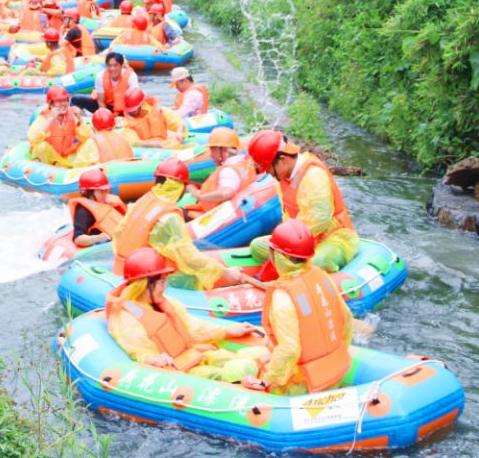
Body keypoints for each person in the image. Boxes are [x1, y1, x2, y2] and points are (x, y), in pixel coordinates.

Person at [105, 247, 261, 379]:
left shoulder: (166, 303)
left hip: (194, 355)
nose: (165, 287)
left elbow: (194, 329)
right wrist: (150, 358)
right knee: (232, 374)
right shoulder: (125, 315)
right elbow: (136, 348)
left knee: (248, 358)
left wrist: (227, 331)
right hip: (179, 371)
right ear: (144, 284)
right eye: (161, 282)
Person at [241, 220, 353, 395]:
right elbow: (346, 318)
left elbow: (289, 351)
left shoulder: (283, 296)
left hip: (305, 385)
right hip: (337, 371)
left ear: (275, 255)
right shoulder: (321, 277)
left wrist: (265, 382)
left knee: (239, 365)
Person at [112, 158, 254, 291]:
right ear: (181, 187)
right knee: (191, 275)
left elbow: (118, 232)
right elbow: (189, 258)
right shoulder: (169, 217)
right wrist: (224, 271)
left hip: (123, 267)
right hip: (144, 279)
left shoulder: (144, 199)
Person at [246, 130, 359, 273]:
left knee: (318, 262)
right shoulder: (283, 178)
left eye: (269, 169)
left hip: (333, 239)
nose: (269, 174)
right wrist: (280, 246)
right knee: (257, 246)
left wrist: (287, 247)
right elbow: (287, 217)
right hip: (300, 241)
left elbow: (320, 220)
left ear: (283, 159)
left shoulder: (314, 176)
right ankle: (294, 271)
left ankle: (300, 273)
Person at [185, 128, 257, 217]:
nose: (210, 155)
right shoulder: (244, 161)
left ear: (223, 150)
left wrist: (199, 196)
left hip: (208, 215)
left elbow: (226, 193)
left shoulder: (228, 171)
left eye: (212, 150)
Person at [27, 86, 91, 168]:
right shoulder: (43, 118)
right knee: (41, 147)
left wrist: (80, 119)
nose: (63, 104)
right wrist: (50, 119)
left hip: (66, 158)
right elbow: (33, 138)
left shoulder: (72, 116)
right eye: (59, 101)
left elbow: (87, 136)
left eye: (65, 100)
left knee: (88, 144)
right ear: (50, 104)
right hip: (49, 159)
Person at [69, 168, 126, 247]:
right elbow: (78, 239)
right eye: (101, 191)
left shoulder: (111, 201)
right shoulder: (83, 211)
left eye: (106, 190)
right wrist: (96, 238)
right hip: (104, 246)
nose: (105, 194)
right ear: (89, 192)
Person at [72, 51, 138, 114]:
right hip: (106, 106)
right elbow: (101, 101)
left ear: (121, 66)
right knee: (75, 99)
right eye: (109, 65)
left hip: (125, 109)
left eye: (115, 65)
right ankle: (82, 121)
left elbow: (134, 101)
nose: (112, 69)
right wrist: (106, 117)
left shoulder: (131, 76)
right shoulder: (100, 77)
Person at [119, 87, 185, 148]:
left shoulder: (158, 110)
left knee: (175, 141)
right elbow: (132, 142)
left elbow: (176, 120)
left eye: (135, 108)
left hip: (164, 143)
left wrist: (179, 131)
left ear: (141, 104)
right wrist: (149, 144)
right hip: (146, 149)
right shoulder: (128, 124)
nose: (133, 111)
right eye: (131, 109)